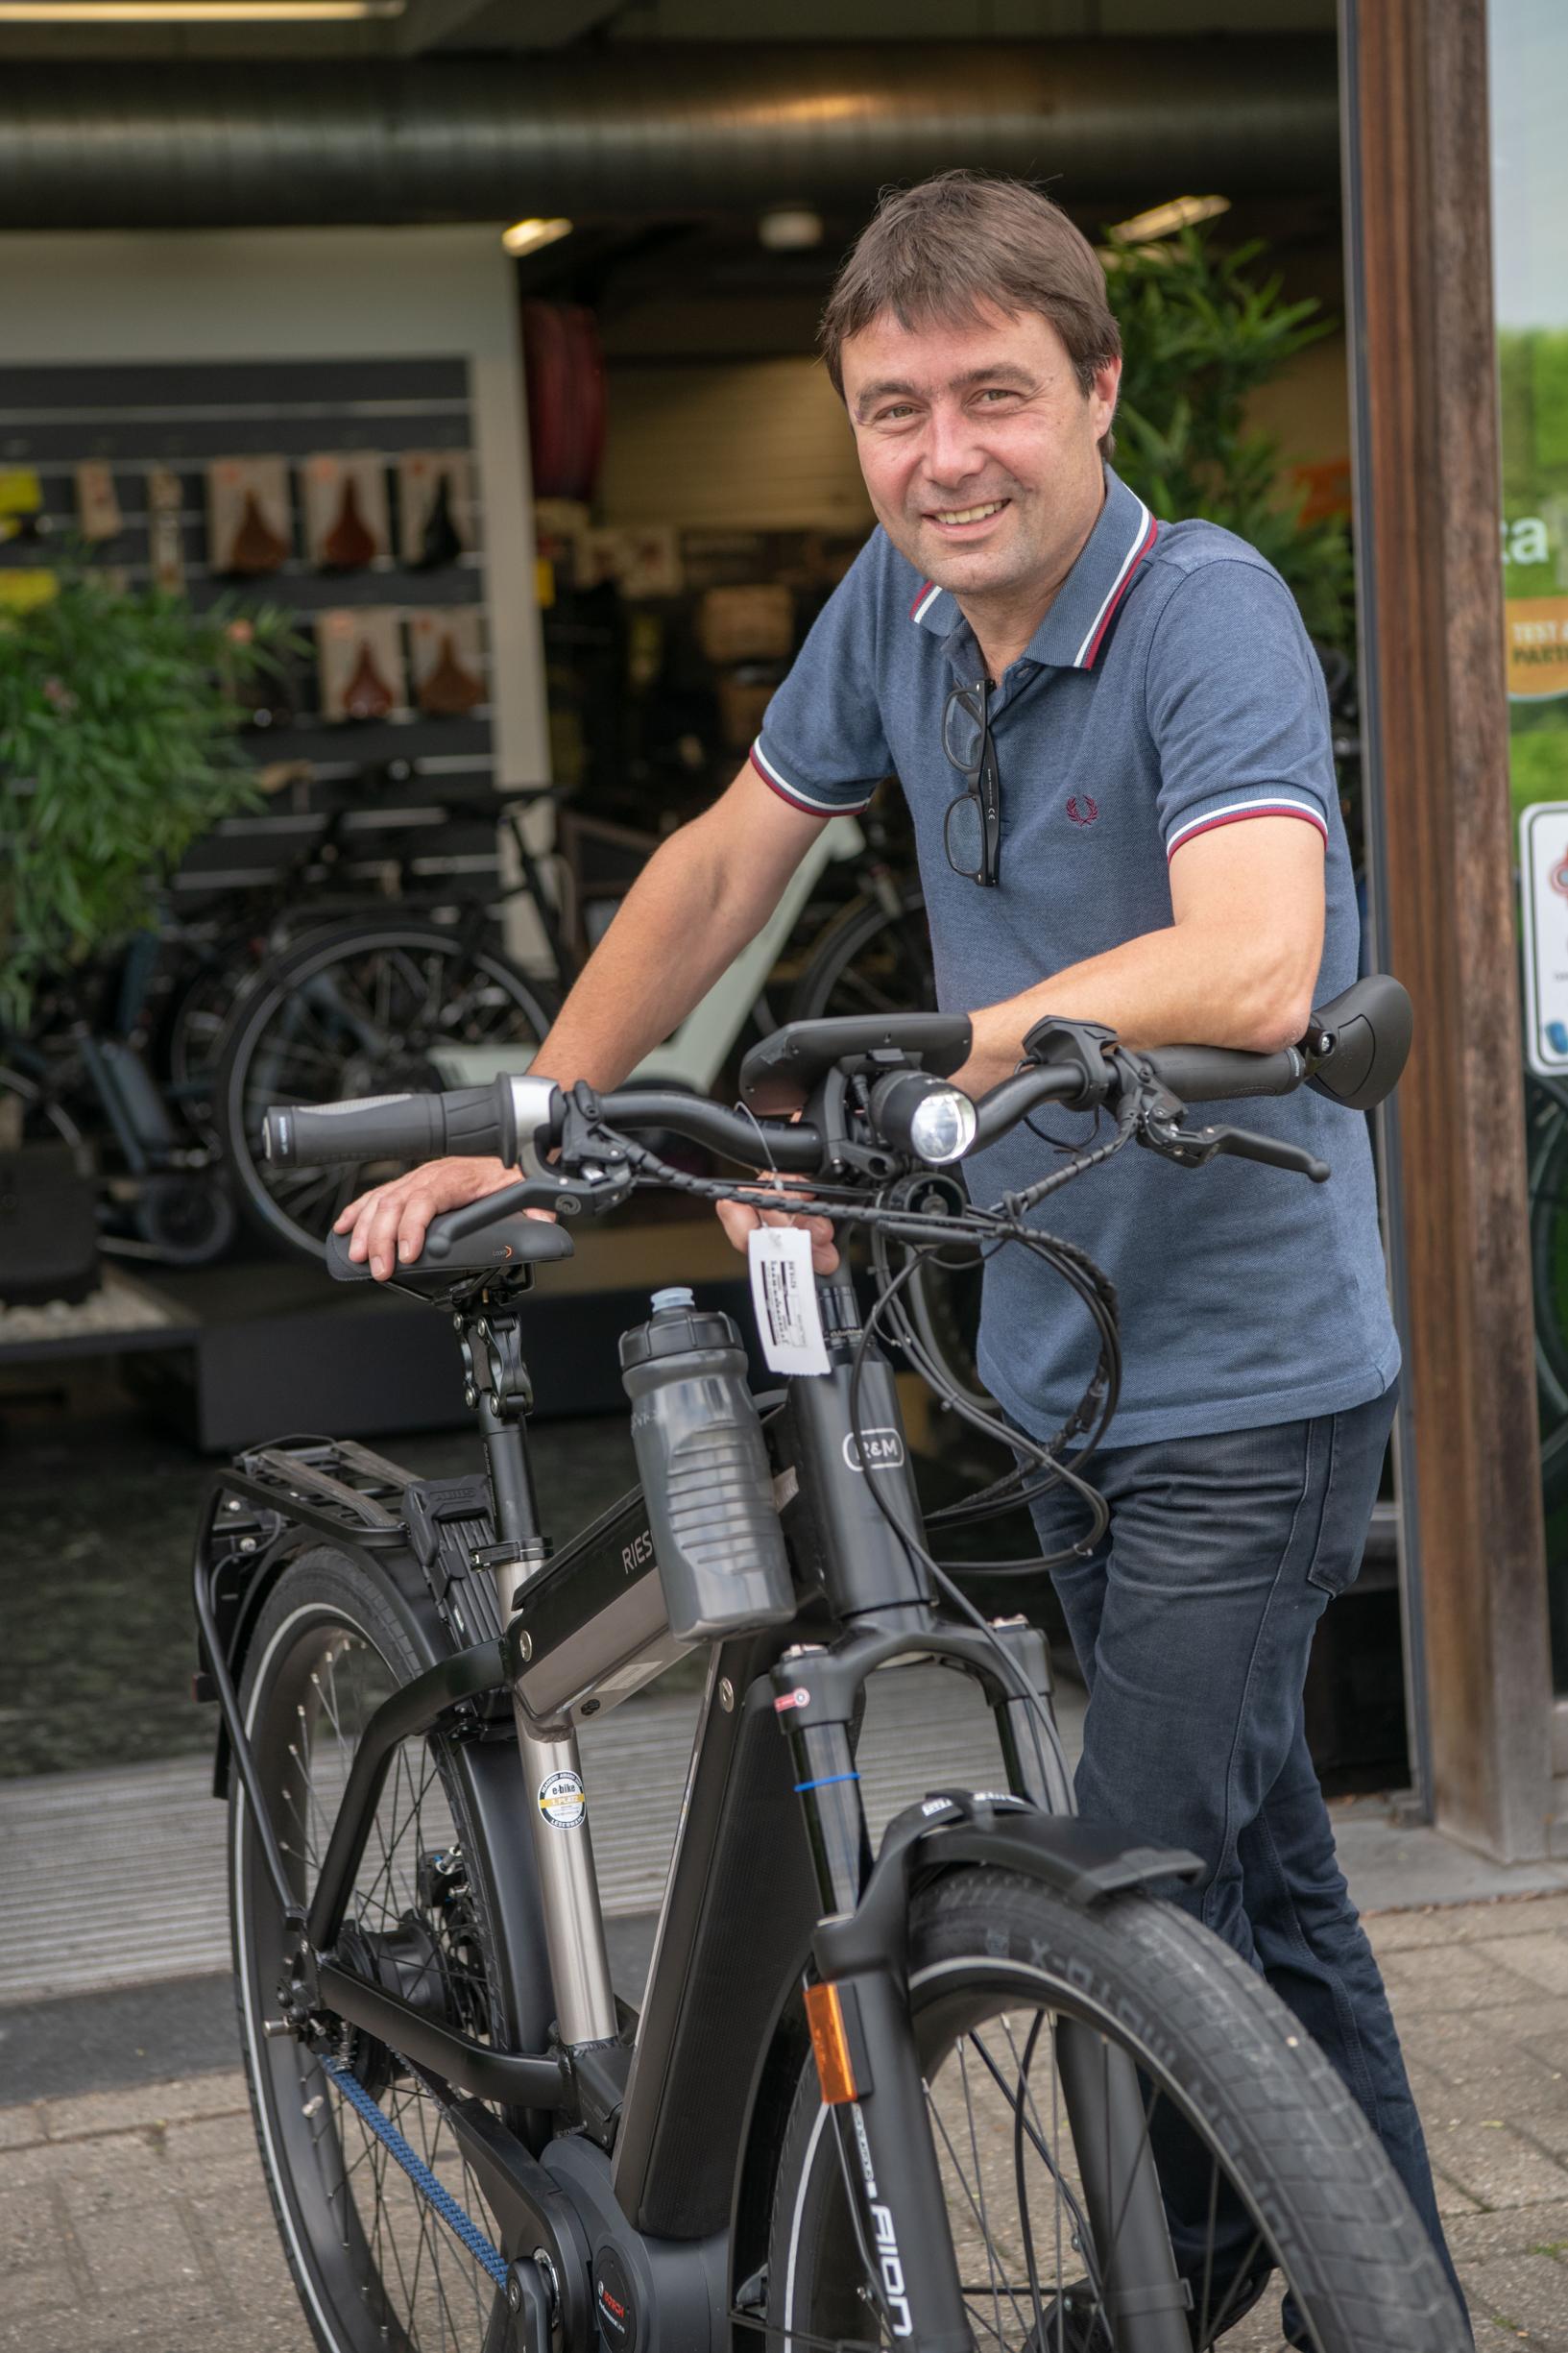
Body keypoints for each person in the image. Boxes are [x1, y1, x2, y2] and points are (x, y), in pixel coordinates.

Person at [336, 171, 1466, 2342]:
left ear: (1096, 391)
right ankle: (1378, 2295)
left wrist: (918, 1061)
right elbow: (722, 863)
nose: (944, 454)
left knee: (1116, 1904)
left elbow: (1253, 956)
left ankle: (1160, 2292)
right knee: (1258, 1886)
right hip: (1056, 1363)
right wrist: (538, 1115)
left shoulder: (1202, 613)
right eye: (893, 409)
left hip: (1246, 1390)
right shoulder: (906, 607)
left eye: (992, 396)